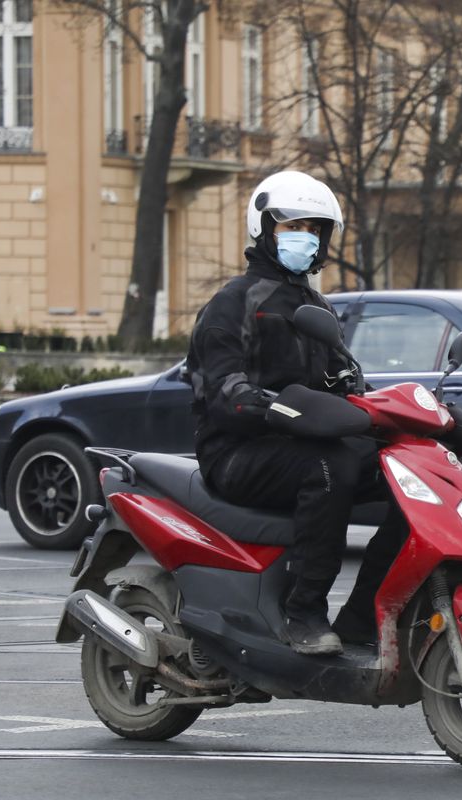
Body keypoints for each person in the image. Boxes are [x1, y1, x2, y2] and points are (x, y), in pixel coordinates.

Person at [186, 171, 408, 656]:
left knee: (409, 477)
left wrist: (400, 415)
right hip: (237, 452)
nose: (304, 237)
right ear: (264, 230)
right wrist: (281, 408)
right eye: (292, 227)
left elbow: (348, 381)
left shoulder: (315, 304)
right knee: (333, 468)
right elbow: (226, 393)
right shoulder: (232, 302)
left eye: (314, 228)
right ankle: (303, 612)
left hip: (304, 445)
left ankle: (366, 612)